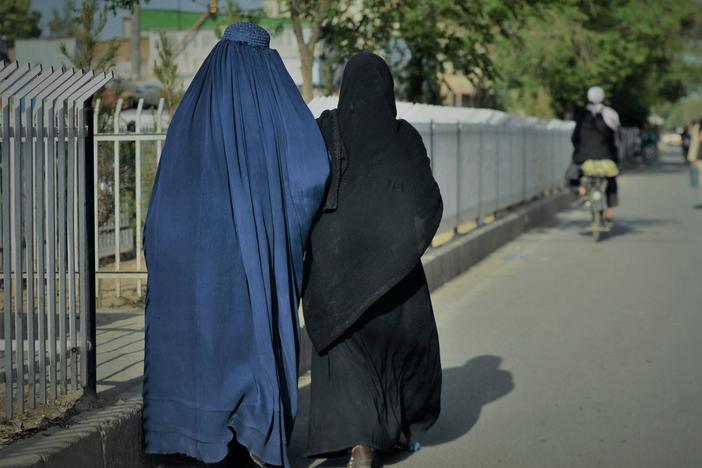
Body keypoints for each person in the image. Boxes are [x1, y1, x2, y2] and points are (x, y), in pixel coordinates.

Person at [142, 23, 329, 467]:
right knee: (250, 341)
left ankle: (193, 434)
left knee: (201, 341)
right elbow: (311, 175)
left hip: (191, 256)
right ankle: (255, 432)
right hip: (252, 260)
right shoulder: (278, 104)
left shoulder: (195, 108)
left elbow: (164, 197)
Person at [302, 53, 444, 468]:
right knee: (401, 348)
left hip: (333, 264)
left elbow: (303, 187)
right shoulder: (403, 135)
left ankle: (360, 444)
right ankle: (397, 427)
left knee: (347, 356)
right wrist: (403, 244)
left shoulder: (325, 128)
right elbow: (425, 199)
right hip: (393, 268)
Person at [570, 86, 621, 222]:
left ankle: (582, 190)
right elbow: (617, 137)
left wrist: (580, 149)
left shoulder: (581, 115)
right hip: (607, 157)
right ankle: (610, 209)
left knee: (571, 175)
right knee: (611, 178)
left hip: (584, 157)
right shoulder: (611, 114)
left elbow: (575, 138)